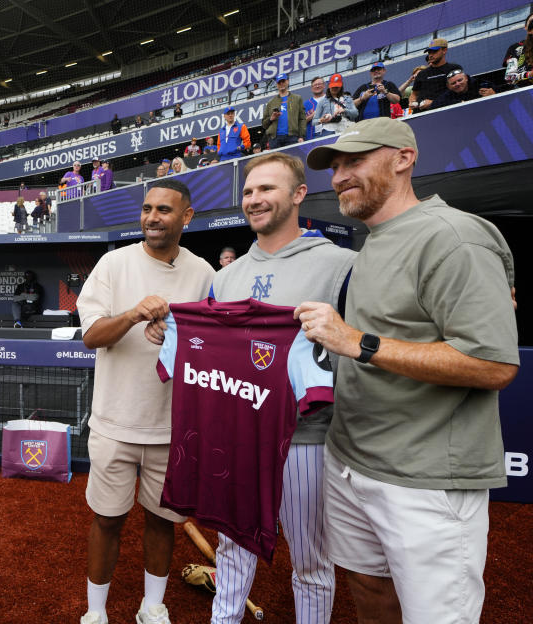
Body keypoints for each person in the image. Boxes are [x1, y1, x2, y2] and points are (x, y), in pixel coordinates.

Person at [298, 117, 518, 624]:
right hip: (352, 459)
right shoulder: (373, 241)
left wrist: (358, 343)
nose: (339, 178)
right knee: (368, 590)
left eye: (355, 162)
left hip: (426, 478)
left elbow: (493, 362)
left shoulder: (454, 236)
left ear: (403, 158)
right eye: (335, 167)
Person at [148, 153, 353, 624]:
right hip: (236, 433)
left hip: (307, 438)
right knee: (232, 546)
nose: (254, 199)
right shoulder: (227, 276)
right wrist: (166, 333)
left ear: (299, 194)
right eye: (248, 192)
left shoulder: (341, 264)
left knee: (311, 559)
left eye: (267, 189)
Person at [76, 178, 216, 624]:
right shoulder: (113, 263)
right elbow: (92, 336)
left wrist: (180, 337)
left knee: (162, 521)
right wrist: (135, 314)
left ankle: (152, 606)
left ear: (186, 217)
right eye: (147, 209)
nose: (152, 217)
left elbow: (213, 345)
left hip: (173, 427)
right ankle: (96, 612)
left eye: (164, 210)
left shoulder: (204, 273)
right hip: (114, 423)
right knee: (107, 520)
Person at [409, 38, 461, 112]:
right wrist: (412, 101)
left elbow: (458, 93)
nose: (431, 55)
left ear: (444, 50)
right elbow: (414, 94)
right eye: (429, 52)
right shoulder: (421, 74)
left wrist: (433, 103)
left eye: (434, 52)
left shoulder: (454, 69)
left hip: (446, 111)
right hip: (421, 114)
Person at [263, 74, 306, 149]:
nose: (281, 84)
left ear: (288, 82)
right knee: (277, 161)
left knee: (292, 160)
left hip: (292, 137)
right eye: (279, 82)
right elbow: (264, 124)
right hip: (275, 139)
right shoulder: (271, 102)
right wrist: (271, 118)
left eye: (283, 81)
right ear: (276, 85)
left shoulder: (297, 98)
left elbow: (302, 119)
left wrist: (301, 136)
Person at [314, 73, 358, 138]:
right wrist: (322, 120)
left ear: (341, 86)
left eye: (337, 86)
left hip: (346, 130)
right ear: (329, 86)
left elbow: (355, 113)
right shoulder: (322, 101)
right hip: (330, 131)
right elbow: (314, 121)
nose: (334, 88)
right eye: (333, 86)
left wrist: (344, 110)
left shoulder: (347, 99)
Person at [431, 68, 496, 109]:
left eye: (460, 80)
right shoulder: (449, 94)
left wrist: (494, 94)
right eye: (453, 83)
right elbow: (434, 105)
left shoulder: (480, 84)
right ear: (449, 86)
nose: (457, 84)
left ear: (466, 78)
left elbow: (502, 93)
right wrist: (458, 103)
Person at [503, 11, 533, 89]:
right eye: (531, 22)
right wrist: (528, 75)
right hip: (526, 92)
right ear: (527, 28)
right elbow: (509, 78)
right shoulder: (515, 48)